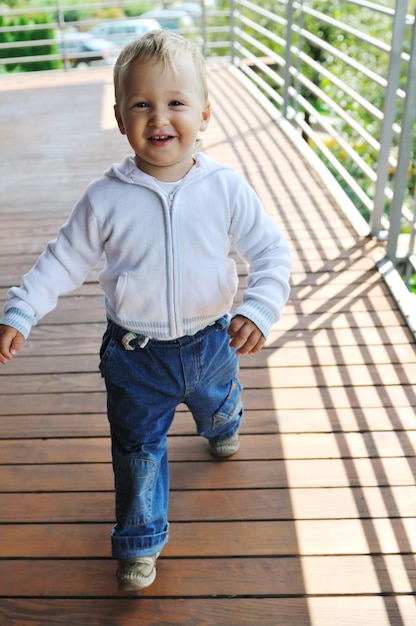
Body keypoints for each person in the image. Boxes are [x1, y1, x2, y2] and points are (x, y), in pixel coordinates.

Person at [0, 30, 291, 591]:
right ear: (119, 116)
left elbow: (271, 251)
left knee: (217, 402)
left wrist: (259, 304)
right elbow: (61, 259)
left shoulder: (225, 187)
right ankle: (140, 540)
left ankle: (224, 421)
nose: (159, 117)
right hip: (136, 358)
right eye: (142, 103)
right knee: (137, 448)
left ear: (204, 114)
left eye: (176, 102)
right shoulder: (105, 197)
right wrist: (21, 311)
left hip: (213, 341)